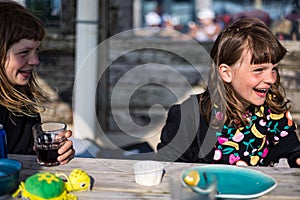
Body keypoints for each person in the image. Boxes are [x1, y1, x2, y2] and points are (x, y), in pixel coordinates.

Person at [157, 18, 300, 167]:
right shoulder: (188, 116)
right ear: (226, 73)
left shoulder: (272, 111)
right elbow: (168, 169)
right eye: (259, 70)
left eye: (274, 69)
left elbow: (291, 148)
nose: (271, 79)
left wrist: (296, 158)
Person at [0, 1, 74, 165]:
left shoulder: (22, 101)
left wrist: (56, 153)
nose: (35, 61)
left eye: (36, 51)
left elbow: (24, 156)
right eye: (24, 52)